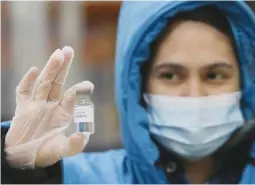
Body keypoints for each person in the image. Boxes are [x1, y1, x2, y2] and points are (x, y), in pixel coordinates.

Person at [1, 1, 255, 184]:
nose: (194, 95)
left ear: (245, 82)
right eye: (170, 75)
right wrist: (16, 168)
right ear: (139, 86)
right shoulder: (85, 177)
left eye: (214, 75)